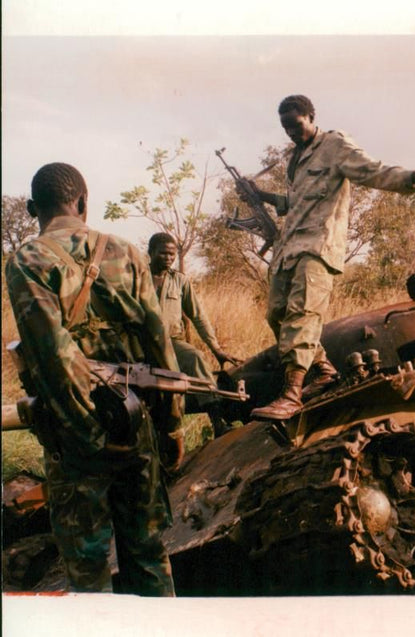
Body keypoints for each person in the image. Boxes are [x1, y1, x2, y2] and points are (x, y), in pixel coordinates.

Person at [5, 163, 183, 596]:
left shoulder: (27, 260)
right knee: (148, 555)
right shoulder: (126, 252)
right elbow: (160, 347)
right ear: (84, 202)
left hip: (74, 438)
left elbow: (54, 356)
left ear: (32, 208)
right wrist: (171, 424)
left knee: (88, 570)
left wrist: (86, 435)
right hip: (136, 425)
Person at [239, 94, 415, 420]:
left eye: (296, 126)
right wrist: (260, 195)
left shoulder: (334, 145)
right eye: (285, 128)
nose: (291, 133)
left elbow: (373, 171)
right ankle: (324, 370)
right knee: (277, 316)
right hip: (290, 249)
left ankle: (292, 393)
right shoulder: (295, 160)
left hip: (318, 248)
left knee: (302, 314)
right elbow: (292, 203)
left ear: (312, 117)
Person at [148, 232, 241, 436]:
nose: (169, 258)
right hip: (142, 341)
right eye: (163, 253)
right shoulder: (138, 278)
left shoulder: (180, 281)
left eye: (172, 255)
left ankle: (217, 420)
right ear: (151, 252)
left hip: (171, 341)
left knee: (195, 358)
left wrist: (215, 348)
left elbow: (198, 316)